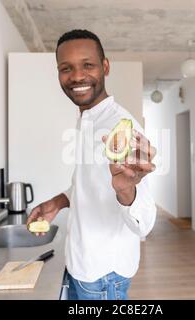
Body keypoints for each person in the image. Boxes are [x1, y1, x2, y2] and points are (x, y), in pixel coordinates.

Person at [27, 29, 157, 300]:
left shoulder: (122, 128)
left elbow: (143, 223)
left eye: (87, 65)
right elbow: (87, 184)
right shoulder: (88, 120)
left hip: (102, 275)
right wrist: (58, 202)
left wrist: (126, 192)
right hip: (80, 263)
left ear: (105, 67)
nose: (76, 76)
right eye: (66, 68)